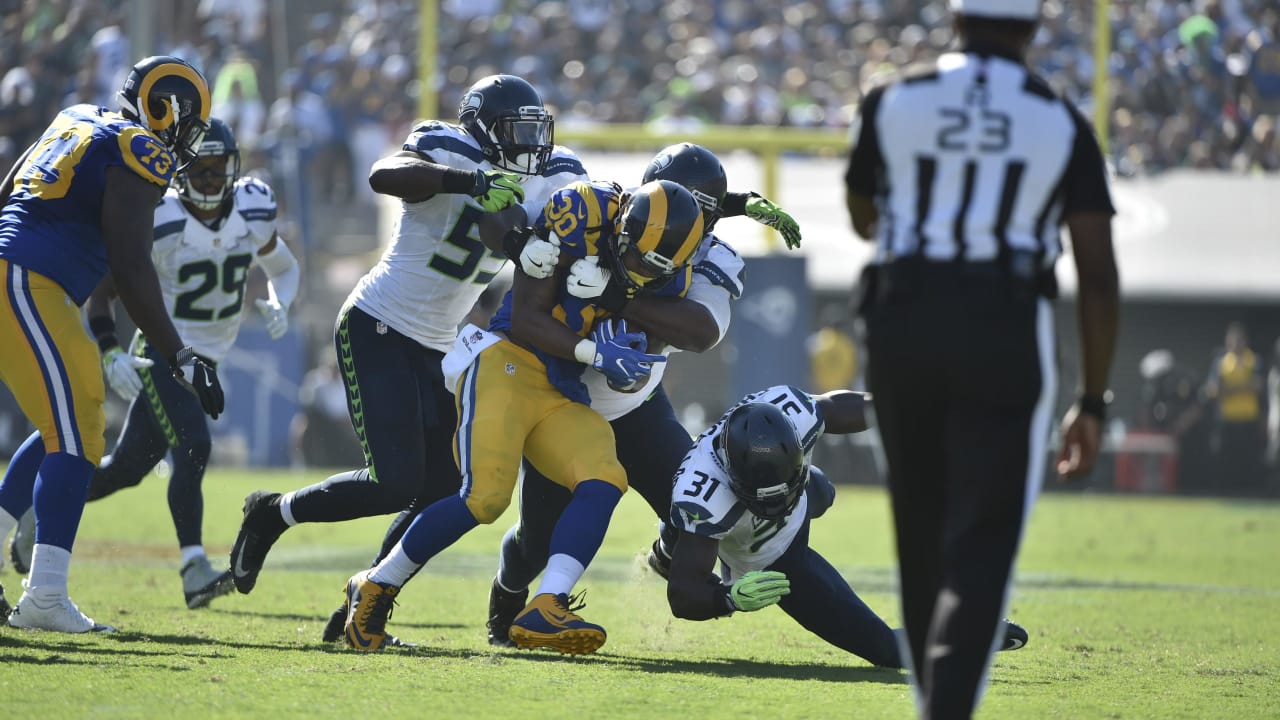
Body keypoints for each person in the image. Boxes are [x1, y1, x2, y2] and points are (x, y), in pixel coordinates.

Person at [844, 0, 1120, 716]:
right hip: (1002, 320)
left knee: (920, 526)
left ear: (956, 19)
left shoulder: (892, 98)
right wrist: (1092, 400)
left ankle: (931, 701)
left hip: (903, 316)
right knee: (983, 540)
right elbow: (1097, 268)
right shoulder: (1059, 118)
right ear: (1032, 27)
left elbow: (863, 215)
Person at [228, 74, 588, 597]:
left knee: (444, 487)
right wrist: (471, 183)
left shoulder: (553, 175)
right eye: (516, 131)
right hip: (378, 322)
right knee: (393, 481)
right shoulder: (450, 149)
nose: (529, 145)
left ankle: (367, 598)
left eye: (536, 131)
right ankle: (272, 513)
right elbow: (385, 174)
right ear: (484, 131)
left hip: (439, 342)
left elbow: (544, 220)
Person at [341, 179, 706, 654]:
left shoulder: (673, 271)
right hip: (508, 363)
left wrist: (625, 363)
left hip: (563, 387)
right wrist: (595, 351)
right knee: (484, 499)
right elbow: (526, 318)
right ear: (624, 229)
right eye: (636, 259)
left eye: (654, 271)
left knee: (603, 478)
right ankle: (375, 584)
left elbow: (640, 361)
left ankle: (548, 603)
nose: (640, 274)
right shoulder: (582, 209)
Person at [481, 142, 802, 647]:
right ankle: (508, 593)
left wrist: (617, 296)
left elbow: (700, 331)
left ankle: (665, 554)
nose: (684, 230)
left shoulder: (711, 254)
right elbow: (513, 250)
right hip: (561, 404)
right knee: (535, 543)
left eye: (703, 215)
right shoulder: (593, 214)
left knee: (693, 504)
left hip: (636, 408)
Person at [4, 118, 299, 610]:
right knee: (195, 447)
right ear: (182, 173)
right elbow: (104, 294)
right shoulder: (160, 217)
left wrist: (280, 301)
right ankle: (193, 568)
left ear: (234, 167)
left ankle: (36, 513)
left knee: (125, 470)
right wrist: (112, 349)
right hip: (165, 355)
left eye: (216, 169)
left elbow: (284, 267)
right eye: (199, 170)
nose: (208, 180)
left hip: (208, 358)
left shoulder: (253, 207)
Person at [0, 56, 224, 633]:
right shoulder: (140, 149)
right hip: (29, 281)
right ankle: (45, 595)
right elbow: (130, 266)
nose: (188, 139)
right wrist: (180, 354)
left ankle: (44, 589)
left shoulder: (77, 117)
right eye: (189, 122)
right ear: (164, 107)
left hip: (24, 277)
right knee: (75, 432)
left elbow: (8, 190)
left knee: (75, 421)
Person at [658, 386, 1027, 667]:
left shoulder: (790, 413)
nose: (777, 508)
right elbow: (682, 594)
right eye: (764, 501)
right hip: (774, 557)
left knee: (824, 491)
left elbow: (838, 408)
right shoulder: (703, 494)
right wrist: (728, 598)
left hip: (804, 495)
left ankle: (677, 540)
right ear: (732, 478)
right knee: (885, 650)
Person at [1204, 321, 1265, 493]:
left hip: (1248, 420)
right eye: (1233, 340)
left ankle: (1249, 492)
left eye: (1240, 340)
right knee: (1226, 460)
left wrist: (1229, 389)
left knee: (1248, 460)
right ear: (1227, 342)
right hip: (1227, 421)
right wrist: (1244, 387)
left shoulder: (1254, 361)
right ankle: (1225, 492)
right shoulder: (1220, 363)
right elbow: (1212, 390)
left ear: (1245, 341)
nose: (1236, 344)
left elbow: (1259, 386)